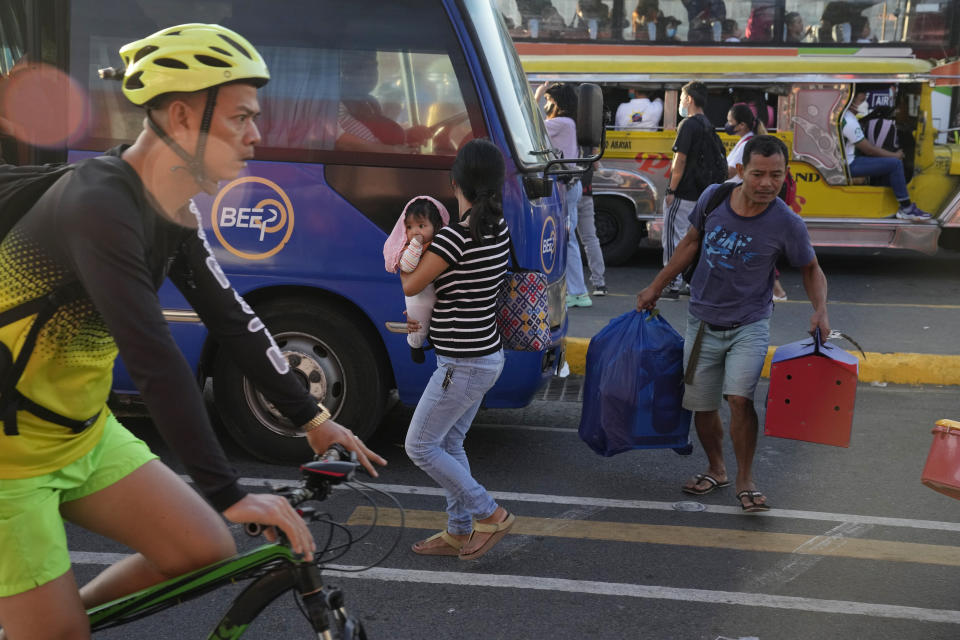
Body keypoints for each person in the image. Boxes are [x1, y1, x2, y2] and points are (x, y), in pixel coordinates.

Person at [0, 23, 386, 640]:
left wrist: (313, 418)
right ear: (181, 116)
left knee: (201, 549)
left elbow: (233, 319)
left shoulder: (174, 211)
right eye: (240, 118)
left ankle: (59, 621)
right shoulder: (99, 205)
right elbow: (154, 359)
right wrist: (228, 490)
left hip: (80, 433)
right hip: (8, 458)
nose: (256, 136)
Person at [636, 135, 830, 512]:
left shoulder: (786, 222)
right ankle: (716, 468)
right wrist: (655, 287)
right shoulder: (714, 198)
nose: (767, 184)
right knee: (702, 405)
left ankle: (746, 478)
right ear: (741, 171)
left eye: (776, 175)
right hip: (703, 321)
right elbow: (690, 243)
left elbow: (811, 268)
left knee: (740, 400)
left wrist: (821, 310)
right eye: (758, 174)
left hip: (749, 324)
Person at [400, 139, 515, 560]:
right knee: (448, 444)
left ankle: (490, 513)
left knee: (419, 446)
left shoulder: (455, 237)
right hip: (484, 356)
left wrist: (409, 245)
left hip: (462, 364)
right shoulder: (496, 227)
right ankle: (458, 529)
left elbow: (411, 284)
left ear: (455, 183)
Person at [535, 82, 591, 308]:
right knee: (569, 241)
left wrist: (536, 96)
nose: (547, 104)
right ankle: (578, 291)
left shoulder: (560, 123)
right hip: (571, 185)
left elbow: (532, 126)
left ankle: (576, 291)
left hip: (564, 187)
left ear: (557, 102)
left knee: (564, 241)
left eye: (549, 100)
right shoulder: (569, 123)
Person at [725, 104, 788, 301]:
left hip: (746, 201)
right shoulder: (745, 142)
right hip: (744, 200)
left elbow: (731, 172)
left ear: (742, 125)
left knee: (752, 246)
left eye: (730, 122)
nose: (727, 125)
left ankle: (776, 289)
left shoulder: (746, 145)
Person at [842, 90, 931, 221]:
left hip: (846, 161)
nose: (865, 103)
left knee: (883, 163)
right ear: (850, 102)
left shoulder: (846, 117)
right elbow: (869, 149)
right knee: (894, 165)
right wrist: (895, 156)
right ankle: (906, 209)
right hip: (849, 165)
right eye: (861, 101)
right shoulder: (849, 121)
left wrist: (872, 115)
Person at [383, 196, 451, 363]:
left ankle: (430, 340)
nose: (415, 232)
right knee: (418, 323)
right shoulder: (407, 248)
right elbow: (407, 266)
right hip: (419, 295)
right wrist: (416, 245)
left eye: (421, 226)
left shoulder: (442, 244)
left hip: (439, 295)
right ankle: (415, 346)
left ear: (436, 227)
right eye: (409, 227)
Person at [661, 81, 712, 298]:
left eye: (681, 98)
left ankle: (672, 283)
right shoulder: (707, 124)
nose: (681, 103)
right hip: (701, 193)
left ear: (689, 99)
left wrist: (671, 190)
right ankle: (692, 281)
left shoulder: (688, 125)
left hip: (683, 193)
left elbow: (679, 160)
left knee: (673, 238)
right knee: (694, 239)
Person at [335, 50, 430, 154]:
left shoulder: (371, 103)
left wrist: (407, 136)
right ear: (340, 71)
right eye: (358, 68)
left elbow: (376, 139)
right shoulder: (332, 106)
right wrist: (394, 151)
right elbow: (346, 143)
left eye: (372, 66)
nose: (367, 74)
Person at [576, 149, 608, 296]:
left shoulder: (563, 131)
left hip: (569, 191)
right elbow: (596, 165)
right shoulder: (588, 138)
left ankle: (571, 285)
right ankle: (599, 283)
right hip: (586, 194)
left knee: (566, 240)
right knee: (590, 239)